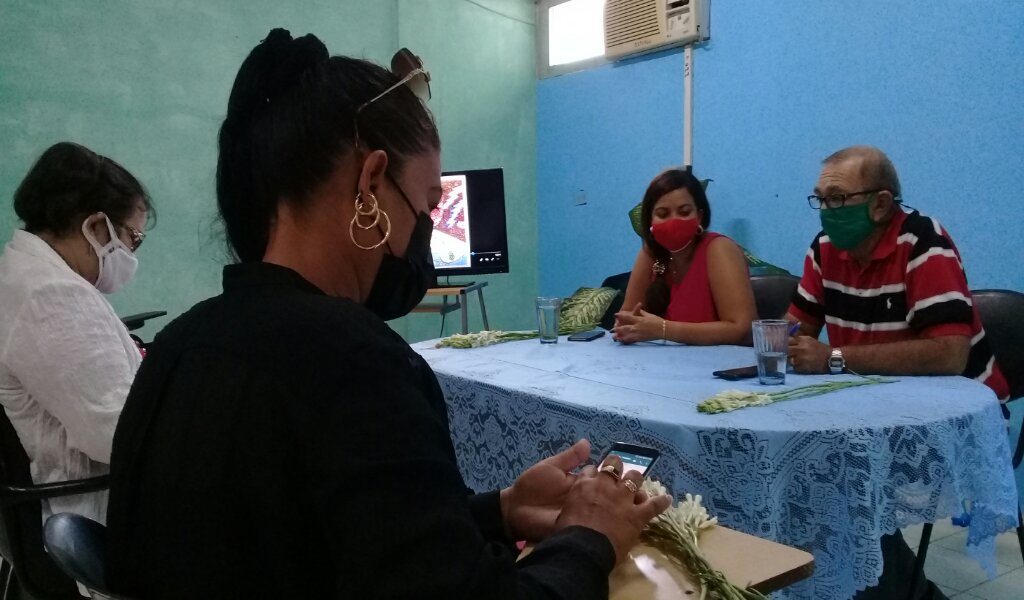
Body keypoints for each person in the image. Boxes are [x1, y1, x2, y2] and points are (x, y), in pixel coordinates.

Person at [105, 29, 670, 599]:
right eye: (426, 206)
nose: (425, 232)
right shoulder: (355, 361)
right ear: (370, 183)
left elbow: (324, 540)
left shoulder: (178, 346)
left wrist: (498, 510)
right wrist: (588, 536)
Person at [785, 145, 1009, 600]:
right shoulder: (825, 250)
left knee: (838, 489)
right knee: (803, 470)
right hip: (865, 406)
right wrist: (785, 345)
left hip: (952, 420)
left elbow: (948, 354)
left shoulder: (924, 243)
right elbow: (795, 332)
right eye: (820, 199)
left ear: (881, 203)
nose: (826, 211)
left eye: (838, 198)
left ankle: (901, 592)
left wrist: (833, 357)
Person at [0, 142, 151, 525]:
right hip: (102, 515)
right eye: (134, 239)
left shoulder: (24, 274)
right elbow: (118, 434)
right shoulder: (50, 294)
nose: (133, 255)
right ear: (96, 226)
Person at [613, 168, 756, 345]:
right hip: (659, 365)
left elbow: (741, 328)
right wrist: (625, 327)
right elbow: (626, 316)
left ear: (700, 216)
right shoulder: (651, 253)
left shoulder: (719, 249)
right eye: (663, 214)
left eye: (684, 212)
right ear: (650, 220)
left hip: (720, 365)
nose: (674, 221)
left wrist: (663, 329)